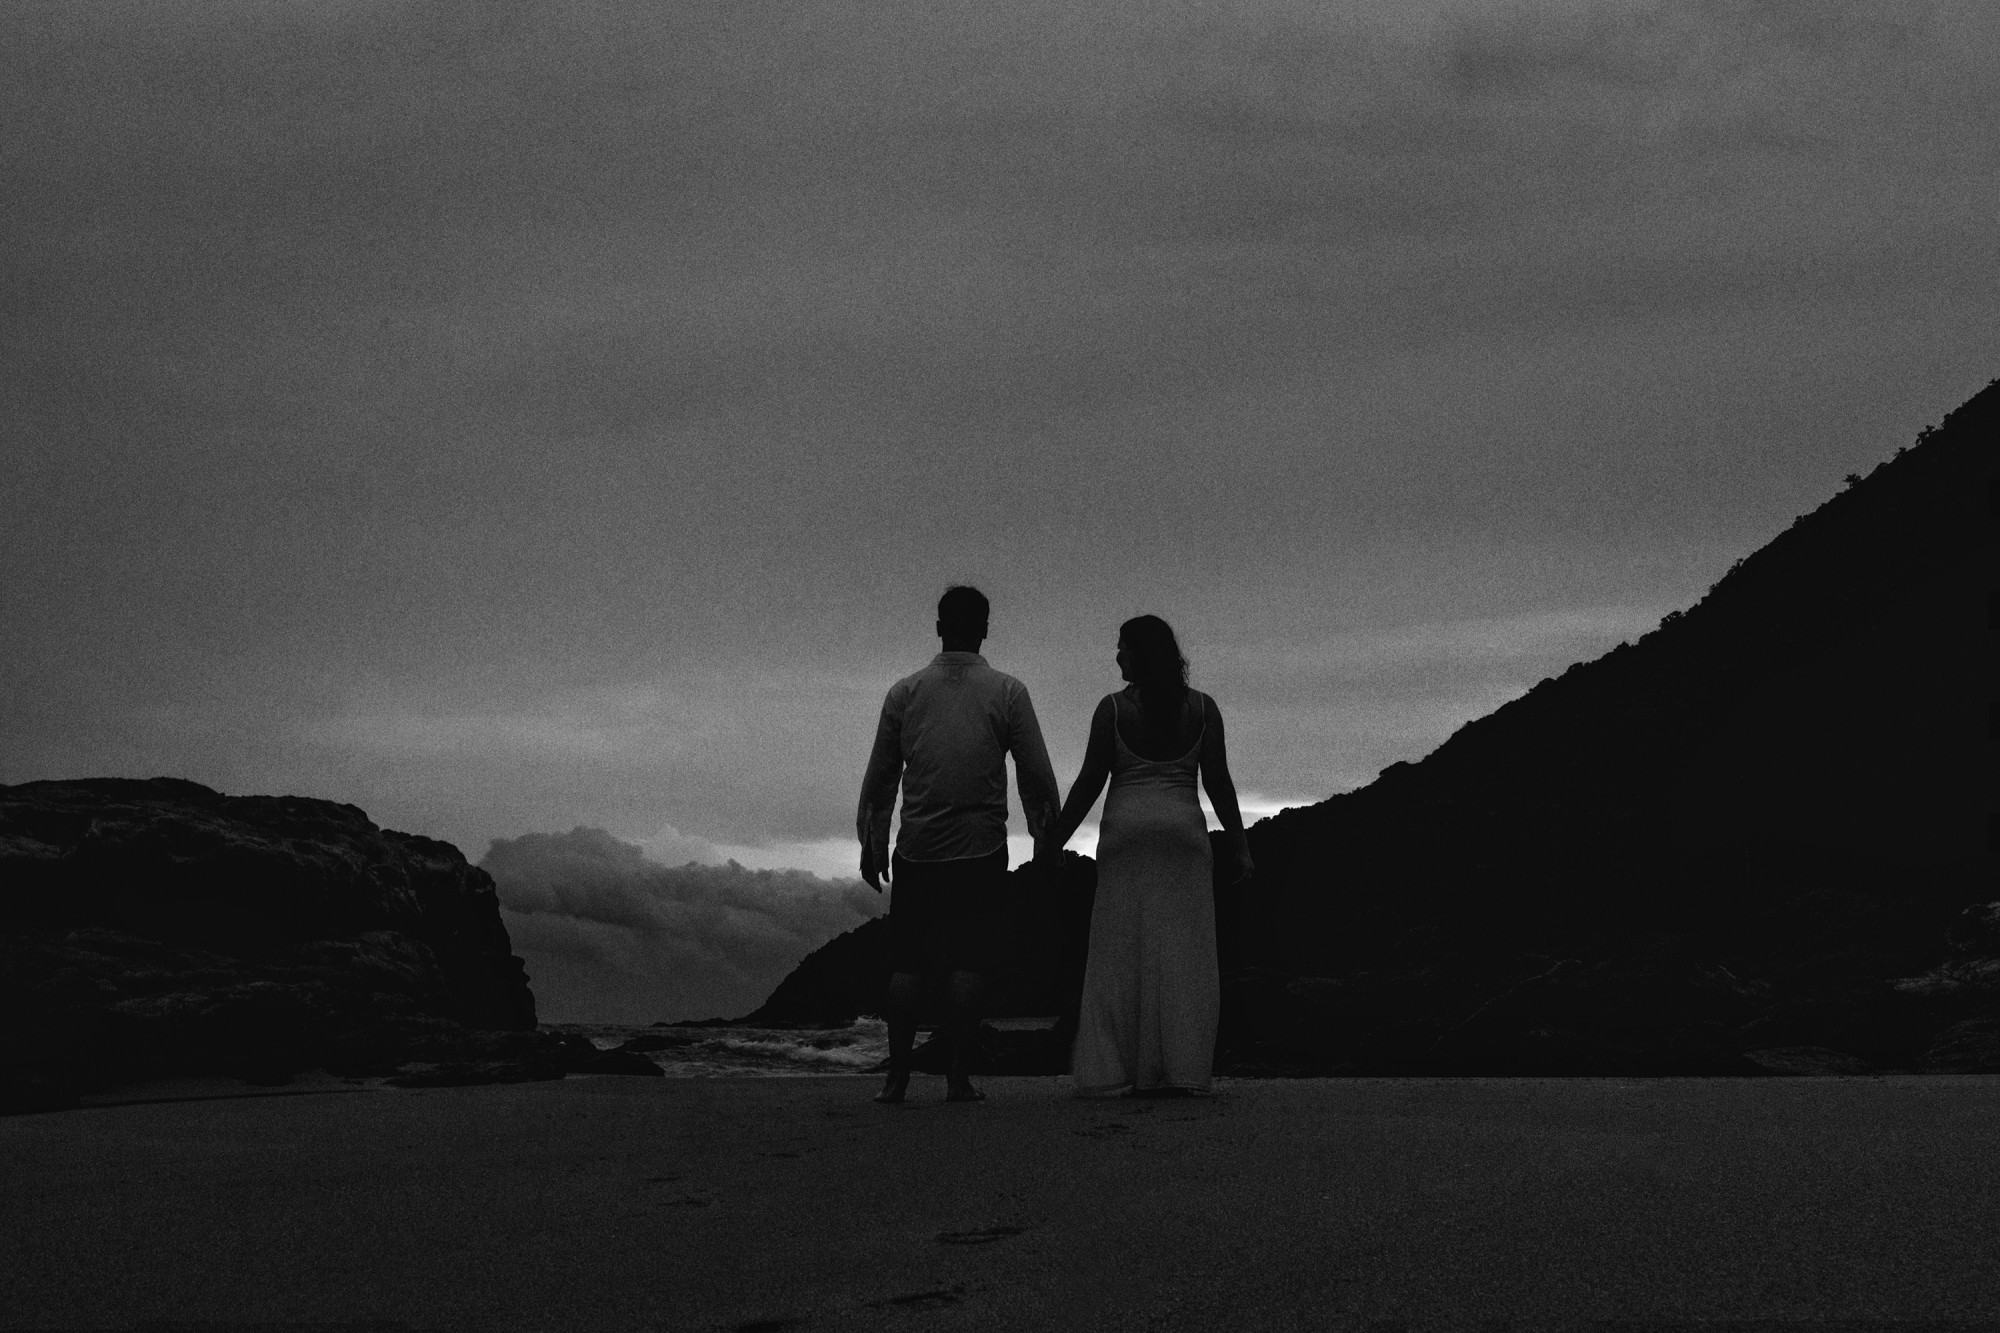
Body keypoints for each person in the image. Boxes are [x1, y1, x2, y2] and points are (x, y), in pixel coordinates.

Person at [857, 585, 1060, 1104]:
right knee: (968, 964)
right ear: (986, 627)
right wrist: (1045, 839)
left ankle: (896, 1078)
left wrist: (871, 842)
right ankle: (957, 1078)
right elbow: (1035, 773)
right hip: (980, 848)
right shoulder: (1007, 691)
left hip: (918, 847)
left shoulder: (904, 692)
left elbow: (881, 777)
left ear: (939, 626)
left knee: (908, 964)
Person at [1045, 614, 1253, 1097]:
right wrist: (1241, 845)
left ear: (1141, 653)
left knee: (1119, 953)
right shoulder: (1203, 709)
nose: (1117, 656)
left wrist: (1055, 839)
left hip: (1127, 840)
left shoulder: (1113, 711)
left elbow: (1090, 781)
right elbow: (1218, 782)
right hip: (1183, 840)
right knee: (1184, 955)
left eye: (1123, 648)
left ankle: (1117, 1069)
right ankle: (1180, 1069)